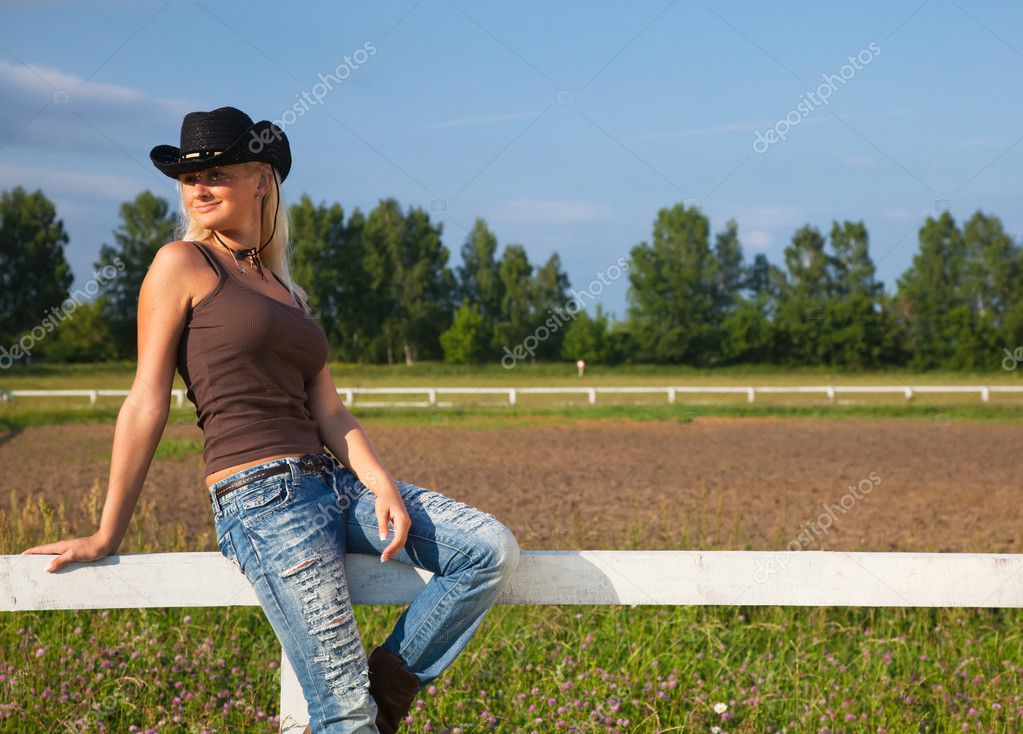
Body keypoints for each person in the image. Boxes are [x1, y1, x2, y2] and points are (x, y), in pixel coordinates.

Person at [21, 106, 521, 733]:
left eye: (216, 172)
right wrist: (106, 533)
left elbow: (330, 410)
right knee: (343, 715)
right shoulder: (181, 264)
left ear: (262, 180)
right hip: (261, 499)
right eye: (187, 176)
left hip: (334, 486)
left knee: (488, 551)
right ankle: (361, 712)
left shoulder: (287, 292)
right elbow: (145, 399)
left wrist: (380, 484)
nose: (197, 188)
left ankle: (387, 690)